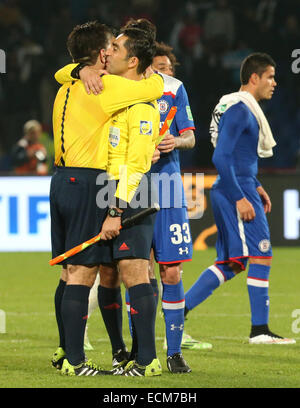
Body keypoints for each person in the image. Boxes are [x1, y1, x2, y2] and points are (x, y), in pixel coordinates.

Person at [50, 20, 164, 377]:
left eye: (118, 48)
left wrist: (77, 68)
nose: (111, 52)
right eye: (109, 48)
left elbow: (59, 73)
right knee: (84, 272)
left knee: (94, 271)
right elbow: (157, 83)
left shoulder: (71, 84)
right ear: (100, 55)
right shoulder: (106, 88)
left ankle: (135, 357)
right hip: (92, 185)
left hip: (80, 184)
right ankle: (82, 359)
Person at [184, 52, 296, 345]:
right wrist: (240, 196)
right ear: (254, 78)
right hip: (235, 189)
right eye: (270, 77)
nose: (274, 83)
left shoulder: (237, 107)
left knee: (233, 262)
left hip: (240, 184)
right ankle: (260, 331)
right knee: (261, 255)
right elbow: (220, 155)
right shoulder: (241, 110)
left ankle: (178, 309)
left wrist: (254, 185)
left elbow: (234, 155)